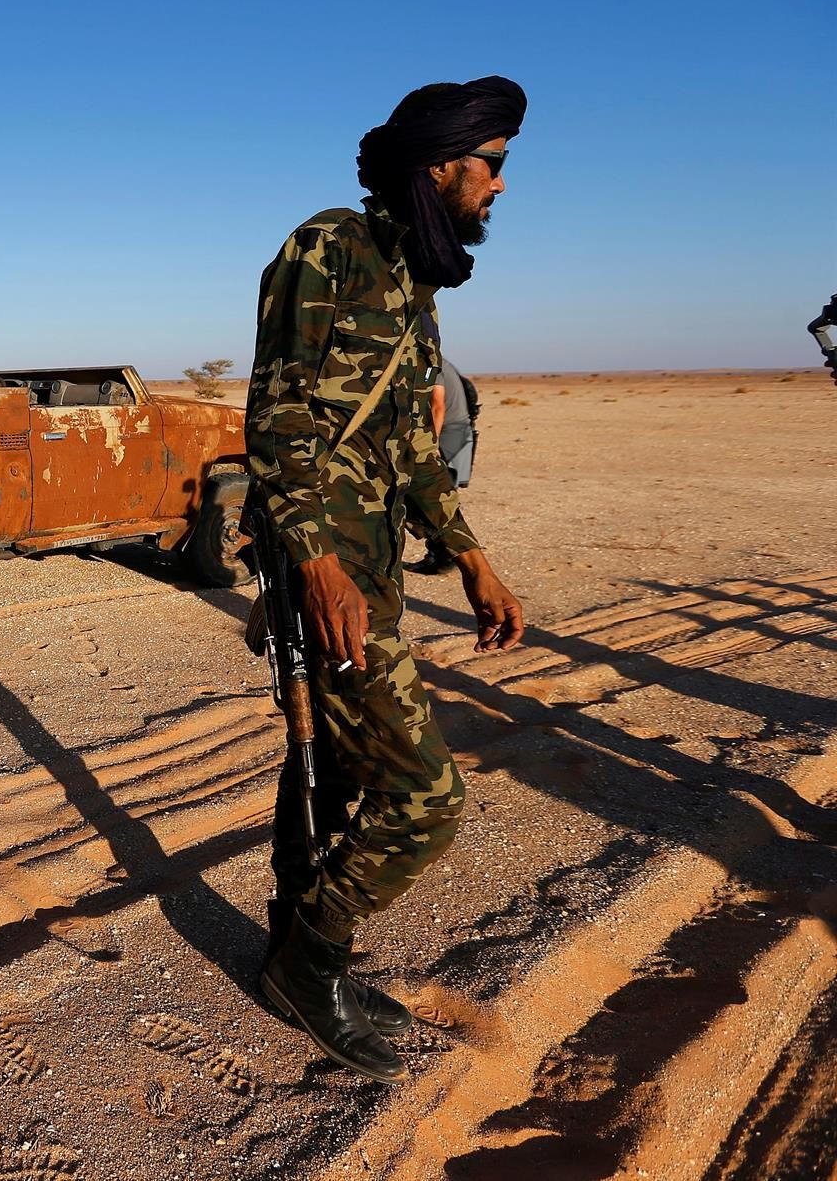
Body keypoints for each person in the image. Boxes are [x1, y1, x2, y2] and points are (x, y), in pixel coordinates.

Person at [244, 75, 528, 1084]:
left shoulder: (414, 284)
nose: (500, 184)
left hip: (374, 574)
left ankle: (297, 947)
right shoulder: (329, 247)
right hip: (324, 573)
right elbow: (273, 417)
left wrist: (474, 558)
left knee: (339, 770)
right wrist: (317, 564)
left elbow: (411, 452)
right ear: (438, 166)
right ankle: (309, 961)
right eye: (490, 165)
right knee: (426, 797)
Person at [407, 339, 479, 574]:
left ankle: (444, 557)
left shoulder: (430, 363)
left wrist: (431, 443)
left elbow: (437, 405)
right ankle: (442, 555)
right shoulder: (441, 363)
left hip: (450, 431)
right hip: (456, 430)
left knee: (433, 496)